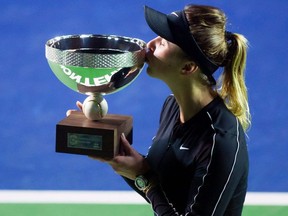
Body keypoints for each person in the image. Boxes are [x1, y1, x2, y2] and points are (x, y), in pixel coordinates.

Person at [72, 4, 251, 216]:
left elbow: (151, 183)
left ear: (188, 67)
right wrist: (114, 153)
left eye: (163, 42)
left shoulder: (219, 141)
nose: (150, 44)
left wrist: (144, 177)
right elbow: (163, 191)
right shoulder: (172, 106)